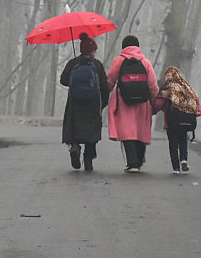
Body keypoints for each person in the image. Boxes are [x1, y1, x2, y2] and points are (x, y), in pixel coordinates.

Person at [106, 35, 159, 172]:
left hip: (123, 101)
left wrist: (105, 92)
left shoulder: (118, 60)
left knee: (127, 131)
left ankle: (132, 163)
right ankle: (139, 160)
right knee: (140, 130)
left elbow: (110, 80)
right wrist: (155, 102)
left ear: (123, 47)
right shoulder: (145, 62)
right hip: (143, 102)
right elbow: (152, 85)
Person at [59, 32, 110, 172]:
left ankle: (75, 147)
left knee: (74, 128)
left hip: (75, 104)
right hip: (92, 106)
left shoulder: (73, 63)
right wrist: (103, 103)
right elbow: (104, 87)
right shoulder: (97, 65)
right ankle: (88, 159)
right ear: (92, 50)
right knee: (91, 133)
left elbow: (63, 80)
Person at [152, 66, 201, 175]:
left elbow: (159, 104)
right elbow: (196, 100)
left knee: (173, 144)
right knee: (183, 140)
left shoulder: (167, 88)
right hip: (186, 121)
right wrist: (198, 111)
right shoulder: (186, 87)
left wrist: (152, 110)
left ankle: (176, 168)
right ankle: (184, 159)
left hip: (172, 122)